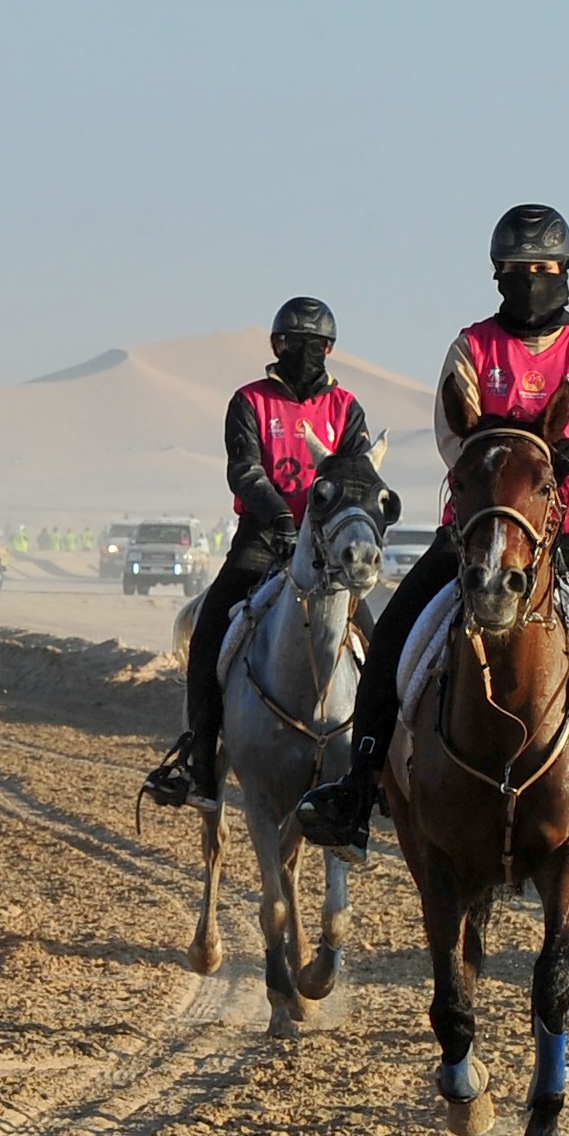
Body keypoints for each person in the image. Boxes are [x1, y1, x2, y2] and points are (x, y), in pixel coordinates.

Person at [296, 206, 569, 893]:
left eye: (543, 271)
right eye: (517, 273)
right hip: (479, 527)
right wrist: (508, 461)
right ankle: (359, 785)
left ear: (566, 274)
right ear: (497, 276)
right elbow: (453, 437)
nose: (531, 283)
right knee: (396, 629)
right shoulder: (471, 348)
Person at [143, 296, 374, 811]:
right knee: (206, 643)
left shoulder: (346, 409)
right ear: (275, 345)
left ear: (330, 349)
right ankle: (199, 767)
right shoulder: (249, 401)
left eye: (315, 345)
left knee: (380, 648)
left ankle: (376, 769)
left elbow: (358, 478)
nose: (303, 352)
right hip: (261, 539)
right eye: (291, 342)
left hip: (327, 552)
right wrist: (281, 517)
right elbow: (244, 470)